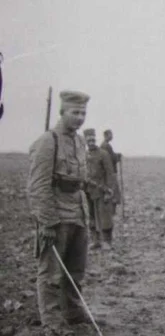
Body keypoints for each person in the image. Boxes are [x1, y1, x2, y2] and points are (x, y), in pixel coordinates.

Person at [28, 90, 92, 335]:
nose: (79, 117)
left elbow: (80, 180)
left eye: (83, 113)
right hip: (56, 213)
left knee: (75, 269)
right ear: (62, 112)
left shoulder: (79, 141)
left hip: (78, 211)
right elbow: (38, 185)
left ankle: (74, 313)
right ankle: (53, 323)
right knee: (52, 272)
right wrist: (46, 221)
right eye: (75, 112)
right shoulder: (48, 141)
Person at [84, 128, 119, 250]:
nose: (91, 142)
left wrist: (109, 190)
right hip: (89, 190)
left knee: (105, 216)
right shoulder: (84, 155)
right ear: (86, 141)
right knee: (92, 216)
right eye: (89, 140)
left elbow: (110, 173)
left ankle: (107, 241)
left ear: (96, 139)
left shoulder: (103, 154)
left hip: (102, 190)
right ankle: (96, 240)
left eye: (93, 139)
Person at [100, 129, 122, 217]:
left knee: (111, 190)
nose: (112, 136)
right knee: (114, 191)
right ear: (106, 135)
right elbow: (111, 158)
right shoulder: (106, 146)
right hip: (110, 172)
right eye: (111, 134)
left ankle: (110, 211)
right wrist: (118, 157)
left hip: (107, 172)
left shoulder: (103, 145)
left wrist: (116, 155)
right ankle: (112, 212)